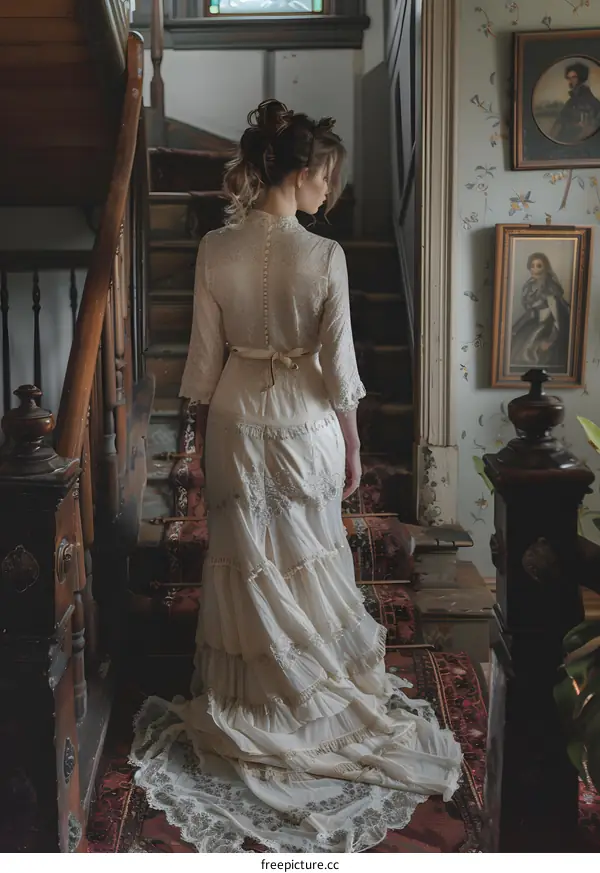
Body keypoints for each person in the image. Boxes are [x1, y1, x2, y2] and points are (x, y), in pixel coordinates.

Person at [130, 100, 462, 853]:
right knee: (309, 548)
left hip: (237, 419)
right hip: (307, 422)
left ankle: (255, 697)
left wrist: (196, 432)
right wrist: (351, 445)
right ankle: (308, 699)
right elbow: (340, 370)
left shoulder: (215, 247)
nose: (329, 193)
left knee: (247, 558)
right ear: (305, 171)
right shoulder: (327, 256)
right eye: (327, 178)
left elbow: (204, 365)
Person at [511, 252, 571, 371]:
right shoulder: (529, 287)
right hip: (532, 324)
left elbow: (557, 319)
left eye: (539, 266)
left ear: (546, 268)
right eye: (532, 266)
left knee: (529, 352)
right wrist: (515, 328)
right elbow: (529, 313)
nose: (534, 269)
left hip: (546, 328)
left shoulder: (550, 290)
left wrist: (550, 340)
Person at [550, 61, 600, 144]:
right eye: (569, 78)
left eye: (574, 77)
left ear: (581, 78)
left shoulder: (590, 100)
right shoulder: (571, 101)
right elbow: (559, 122)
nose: (570, 81)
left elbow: (590, 128)